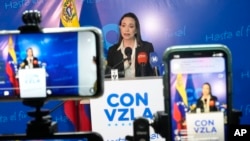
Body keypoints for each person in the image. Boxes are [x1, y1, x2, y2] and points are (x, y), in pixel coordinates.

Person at [106, 12, 155, 78]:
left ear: (136, 30)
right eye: (123, 26)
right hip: (119, 87)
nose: (126, 30)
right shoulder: (112, 51)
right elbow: (109, 75)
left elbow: (152, 73)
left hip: (142, 87)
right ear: (120, 28)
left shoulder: (147, 47)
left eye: (131, 26)